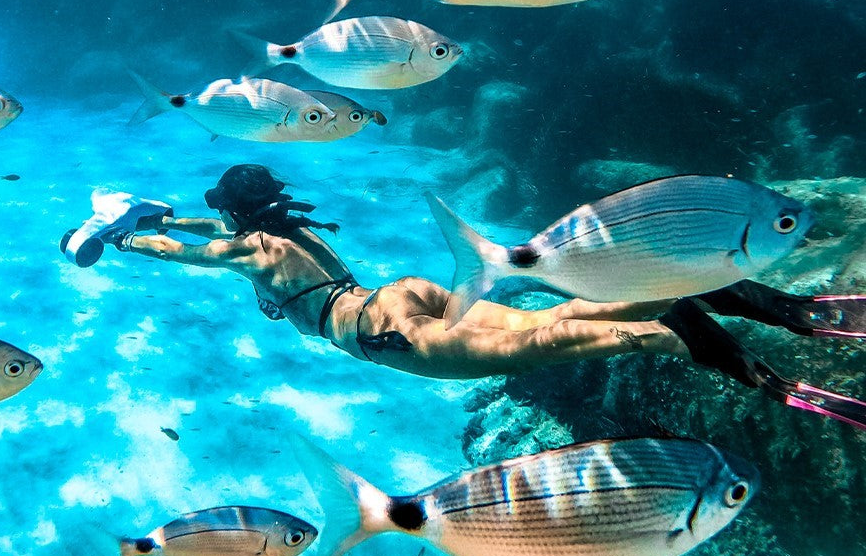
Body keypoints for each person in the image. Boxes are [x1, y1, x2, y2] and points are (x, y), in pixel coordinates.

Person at [108, 164, 866, 429]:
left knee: (600, 335)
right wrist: (153, 208)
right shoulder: (282, 229)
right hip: (402, 293)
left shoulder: (247, 247)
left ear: (237, 216)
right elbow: (206, 225)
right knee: (575, 311)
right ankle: (791, 312)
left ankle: (777, 383)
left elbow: (187, 252)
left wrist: (121, 235)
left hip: (383, 332)